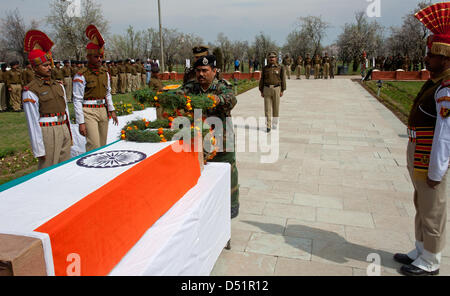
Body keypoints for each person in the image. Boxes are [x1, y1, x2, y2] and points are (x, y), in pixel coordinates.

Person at [393, 2, 450, 276]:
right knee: (421, 202)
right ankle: (420, 249)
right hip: (419, 149)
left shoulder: (447, 89)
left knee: (433, 207)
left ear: (445, 57)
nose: (427, 59)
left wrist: (437, 170)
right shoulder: (436, 82)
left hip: (431, 153)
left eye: (431, 55)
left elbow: (445, 134)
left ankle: (432, 260)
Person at [181, 55, 239, 219]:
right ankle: (207, 204)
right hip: (199, 139)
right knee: (202, 173)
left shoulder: (222, 86)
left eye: (205, 71)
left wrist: (217, 99)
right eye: (198, 71)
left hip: (222, 138)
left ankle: (232, 203)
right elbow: (179, 96)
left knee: (228, 170)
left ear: (214, 71)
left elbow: (231, 99)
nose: (201, 74)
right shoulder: (191, 87)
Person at [22, 30, 72, 169]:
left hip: (63, 127)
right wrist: (38, 148)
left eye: (49, 64)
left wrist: (69, 133)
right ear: (34, 67)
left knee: (65, 168)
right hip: (48, 131)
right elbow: (32, 121)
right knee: (48, 170)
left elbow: (65, 110)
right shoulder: (31, 90)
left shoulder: (57, 85)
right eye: (45, 65)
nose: (49, 68)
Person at [73, 24, 118, 152]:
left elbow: (108, 93)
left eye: (101, 57)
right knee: (94, 145)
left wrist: (112, 110)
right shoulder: (81, 75)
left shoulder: (105, 73)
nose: (99, 59)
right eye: (96, 57)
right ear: (88, 57)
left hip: (102, 110)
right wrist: (81, 122)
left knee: (103, 145)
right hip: (88, 111)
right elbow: (77, 99)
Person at [259, 51, 286, 133]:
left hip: (277, 88)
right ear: (268, 59)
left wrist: (282, 90)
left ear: (276, 58)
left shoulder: (280, 68)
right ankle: (268, 125)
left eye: (273, 57)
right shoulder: (265, 68)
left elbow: (283, 79)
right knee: (267, 109)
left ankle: (275, 123)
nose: (271, 59)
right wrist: (261, 90)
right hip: (266, 88)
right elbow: (262, 79)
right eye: (270, 57)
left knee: (276, 107)